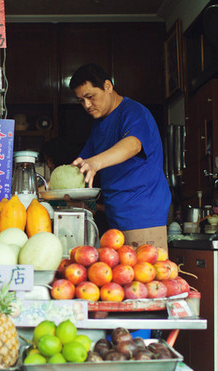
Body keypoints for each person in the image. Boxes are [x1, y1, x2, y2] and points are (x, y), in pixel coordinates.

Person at [69, 63, 170, 250]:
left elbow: (133, 144)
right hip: (115, 215)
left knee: (145, 276)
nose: (87, 105)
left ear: (108, 86)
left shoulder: (134, 112)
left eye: (90, 97)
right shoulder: (99, 126)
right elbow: (80, 166)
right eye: (81, 101)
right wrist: (43, 189)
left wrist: (95, 163)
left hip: (143, 215)